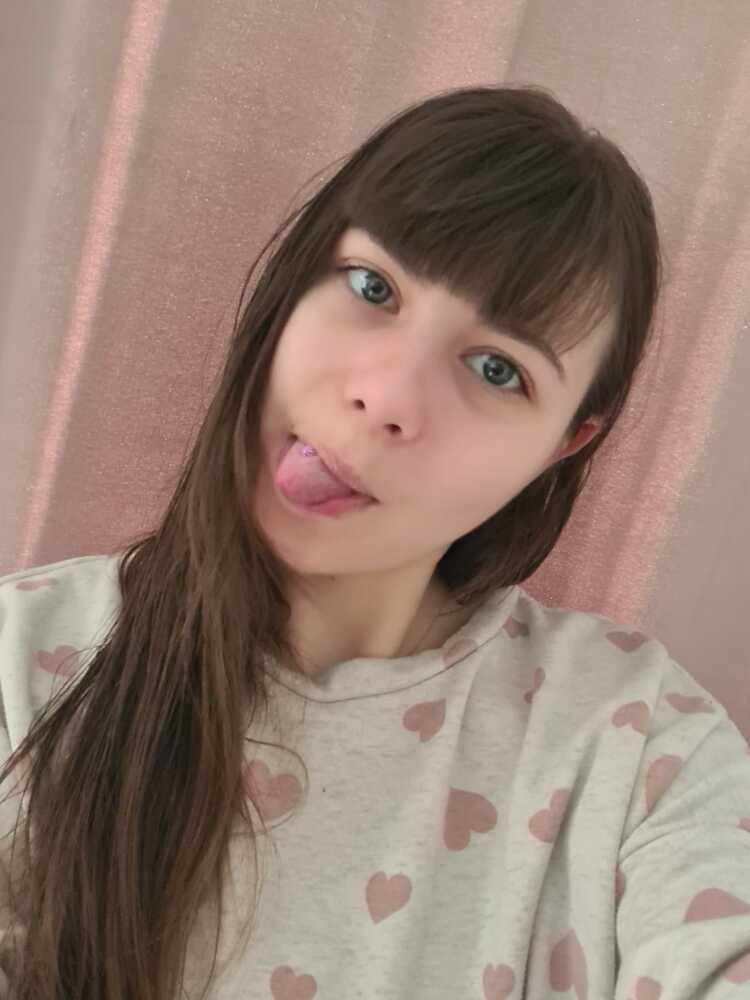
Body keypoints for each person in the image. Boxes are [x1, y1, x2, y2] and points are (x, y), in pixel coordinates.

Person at [0, 84, 748, 1000]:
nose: (385, 398)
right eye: (371, 286)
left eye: (496, 369)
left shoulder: (636, 744)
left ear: (564, 446)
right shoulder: (24, 660)